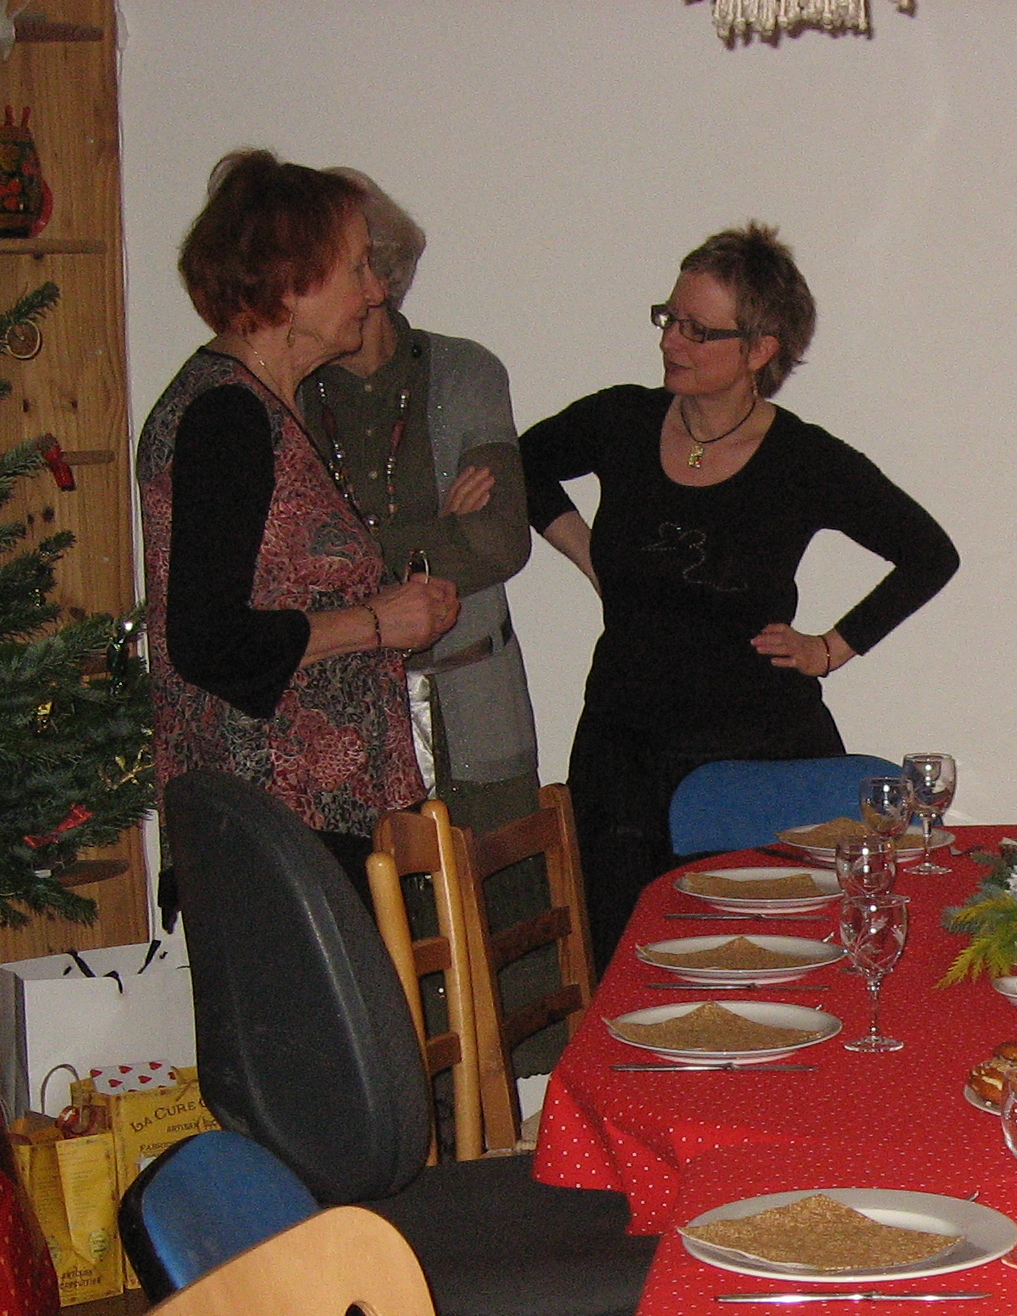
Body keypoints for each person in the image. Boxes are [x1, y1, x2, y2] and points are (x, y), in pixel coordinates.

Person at [521, 222, 959, 965]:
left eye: (699, 329)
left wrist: (831, 649)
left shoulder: (802, 460)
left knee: (774, 966)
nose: (672, 340)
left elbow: (929, 554)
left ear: (760, 350)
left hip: (757, 761)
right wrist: (594, 557)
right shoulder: (621, 421)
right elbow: (524, 464)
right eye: (669, 318)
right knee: (627, 967)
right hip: (623, 757)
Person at [136, 151, 458, 896]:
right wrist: (377, 623)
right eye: (357, 268)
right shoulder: (228, 417)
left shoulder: (254, 404)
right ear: (289, 283)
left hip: (297, 826)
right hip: (275, 829)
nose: (376, 291)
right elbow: (207, 641)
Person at [300, 170, 543, 838]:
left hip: (478, 709)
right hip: (341, 725)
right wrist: (438, 529)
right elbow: (292, 574)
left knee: (500, 896)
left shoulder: (465, 371)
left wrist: (353, 551)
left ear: (374, 277)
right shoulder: (287, 395)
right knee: (368, 899)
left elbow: (498, 541)